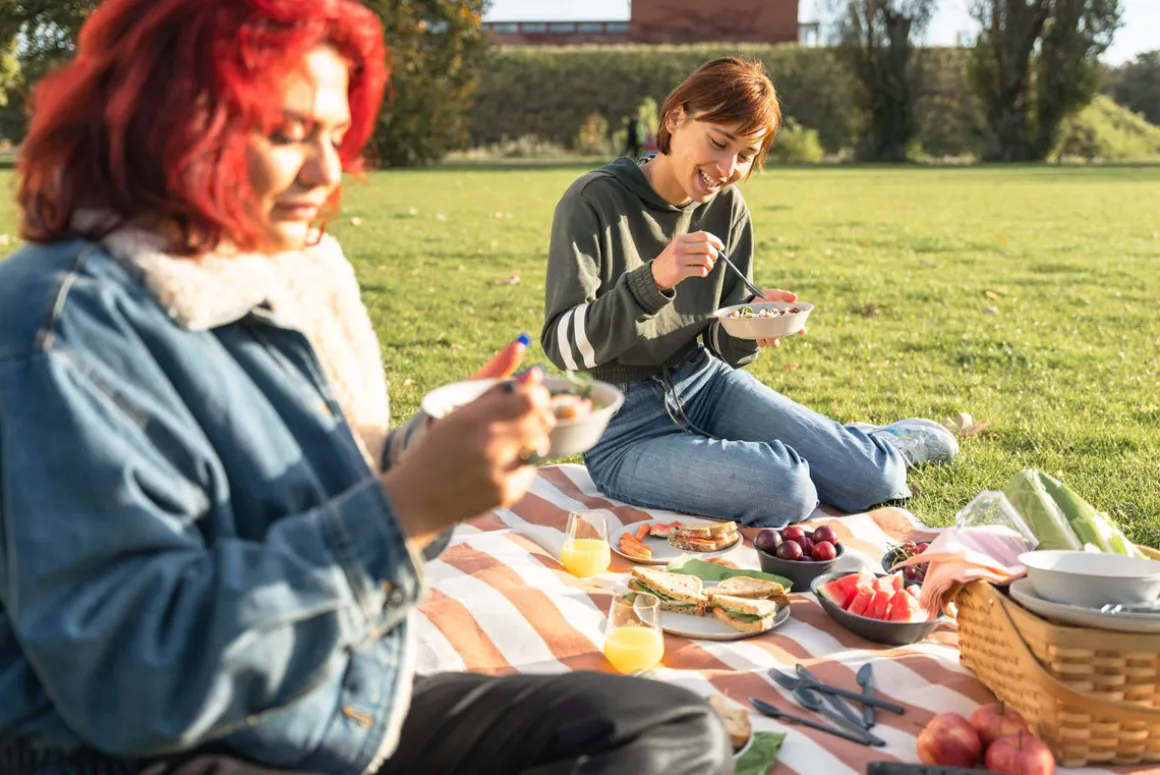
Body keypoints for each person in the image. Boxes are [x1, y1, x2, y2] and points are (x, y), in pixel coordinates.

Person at [0, 2, 733, 774]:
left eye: (333, 134)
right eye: (288, 133)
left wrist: (431, 451)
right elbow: (133, 683)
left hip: (318, 700)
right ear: (170, 121)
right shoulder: (58, 334)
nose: (328, 172)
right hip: (156, 750)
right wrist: (404, 508)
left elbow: (304, 502)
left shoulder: (265, 273)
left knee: (670, 731)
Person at [541, 57, 958, 527]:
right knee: (787, 489)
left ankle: (870, 444)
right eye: (719, 143)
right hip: (623, 428)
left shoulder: (728, 208)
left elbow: (722, 345)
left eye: (745, 156)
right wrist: (653, 280)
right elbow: (564, 348)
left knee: (876, 478)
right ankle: (821, 451)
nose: (727, 168)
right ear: (675, 118)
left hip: (704, 383)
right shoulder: (593, 200)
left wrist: (750, 323)